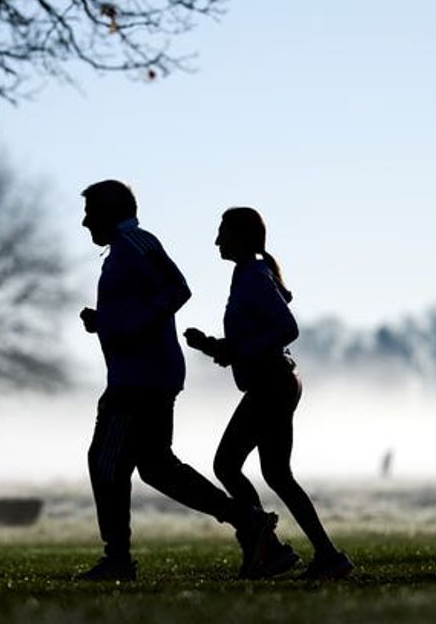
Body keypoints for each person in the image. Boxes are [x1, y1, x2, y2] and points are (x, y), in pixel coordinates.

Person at [77, 180, 282, 582]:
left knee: (105, 462)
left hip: (139, 380)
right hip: (149, 375)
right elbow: (140, 309)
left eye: (91, 212)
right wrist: (106, 323)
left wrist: (127, 327)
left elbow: (177, 289)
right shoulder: (123, 248)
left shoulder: (136, 243)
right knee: (156, 467)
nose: (85, 222)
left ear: (112, 212)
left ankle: (117, 558)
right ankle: (248, 521)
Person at [184, 207, 354, 580]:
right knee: (276, 473)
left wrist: (233, 350)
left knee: (227, 465)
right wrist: (214, 346)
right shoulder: (248, 274)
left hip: (271, 384)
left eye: (222, 234)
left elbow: (286, 328)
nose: (216, 241)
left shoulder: (254, 277)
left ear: (243, 237)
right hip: (274, 381)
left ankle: (270, 548)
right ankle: (322, 554)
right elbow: (254, 338)